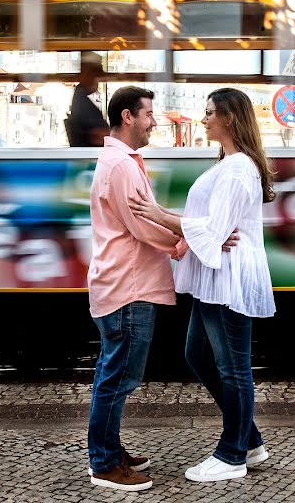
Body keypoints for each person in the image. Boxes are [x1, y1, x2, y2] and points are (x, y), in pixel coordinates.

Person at [85, 86, 238, 491]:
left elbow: (146, 219)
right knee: (118, 377)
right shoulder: (121, 167)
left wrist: (191, 236)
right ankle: (103, 462)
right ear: (127, 117)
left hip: (126, 283)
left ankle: (110, 450)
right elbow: (140, 225)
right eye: (149, 114)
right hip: (128, 286)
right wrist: (191, 242)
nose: (154, 122)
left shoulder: (124, 162)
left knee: (114, 371)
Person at [129, 87, 276, 483]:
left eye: (210, 112)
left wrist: (159, 214)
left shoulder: (239, 167)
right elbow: (210, 226)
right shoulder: (227, 164)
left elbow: (214, 229)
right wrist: (174, 222)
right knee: (199, 355)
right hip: (215, 274)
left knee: (233, 368)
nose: (204, 118)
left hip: (227, 277)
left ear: (229, 118)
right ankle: (250, 440)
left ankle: (231, 456)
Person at [65, 52, 110, 146]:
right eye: (96, 76)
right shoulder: (82, 100)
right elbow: (100, 135)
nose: (97, 81)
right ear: (88, 74)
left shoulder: (85, 97)